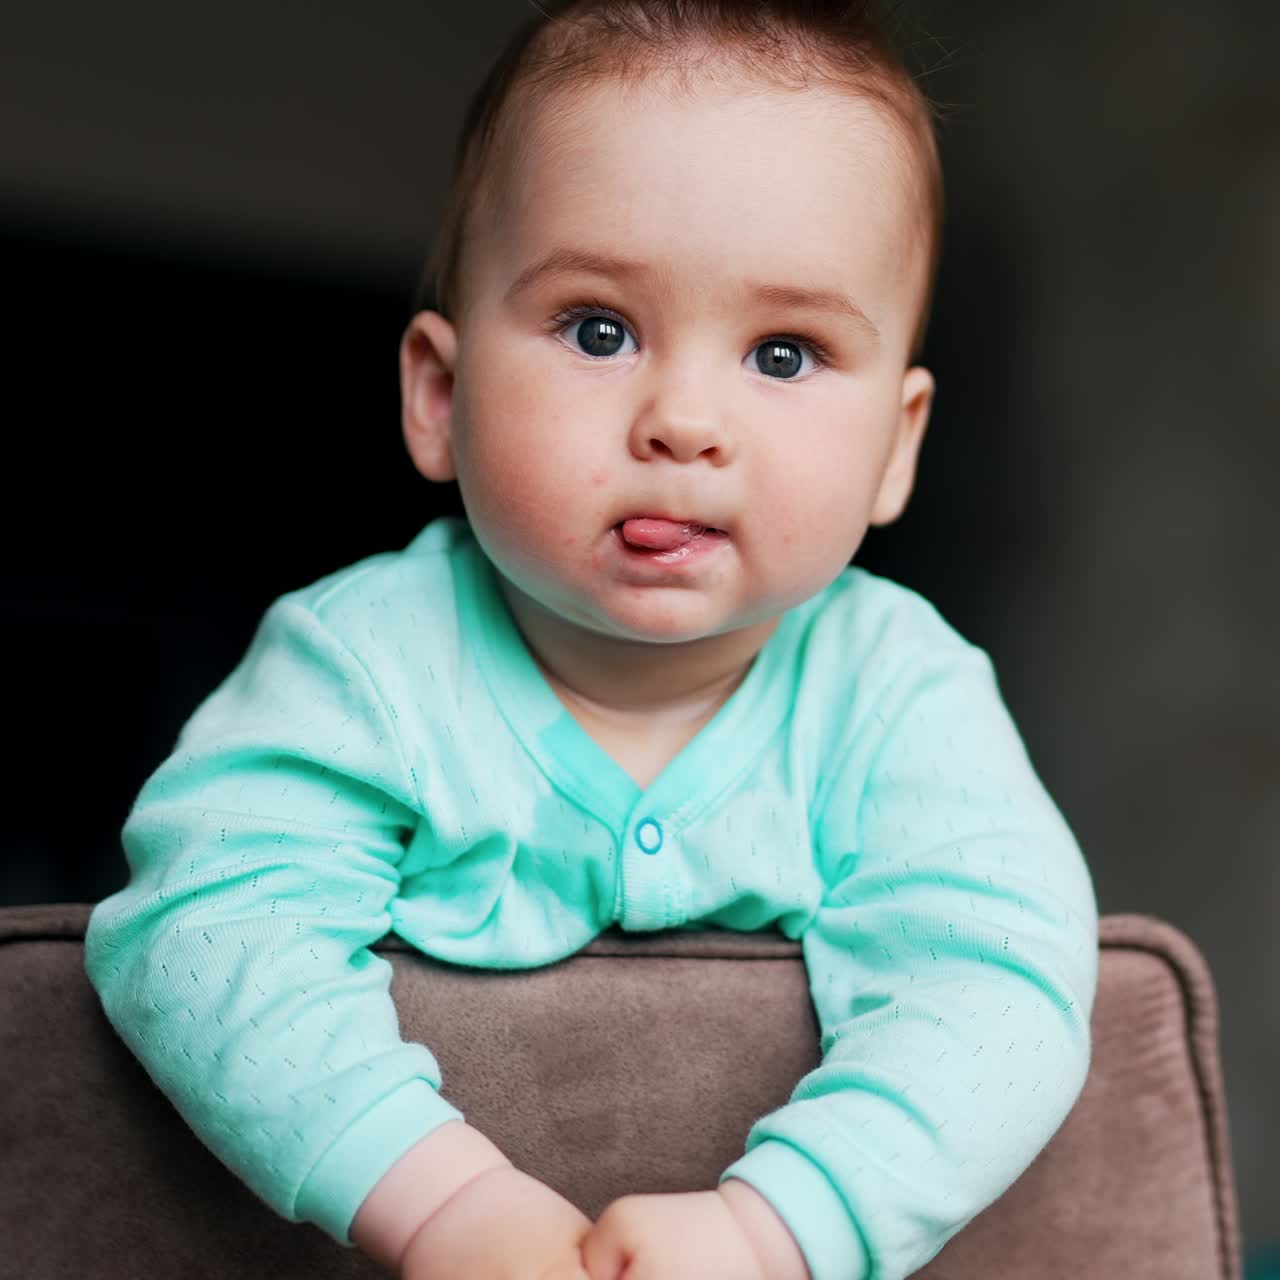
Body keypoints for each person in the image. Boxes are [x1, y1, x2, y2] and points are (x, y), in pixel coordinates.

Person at [84, 2, 1099, 1278]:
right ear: (440, 395)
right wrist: (441, 1202)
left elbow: (998, 987)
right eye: (598, 329)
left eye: (783, 352)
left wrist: (774, 1226)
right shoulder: (366, 662)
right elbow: (203, 927)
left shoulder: (896, 689)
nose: (683, 420)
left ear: (894, 447)